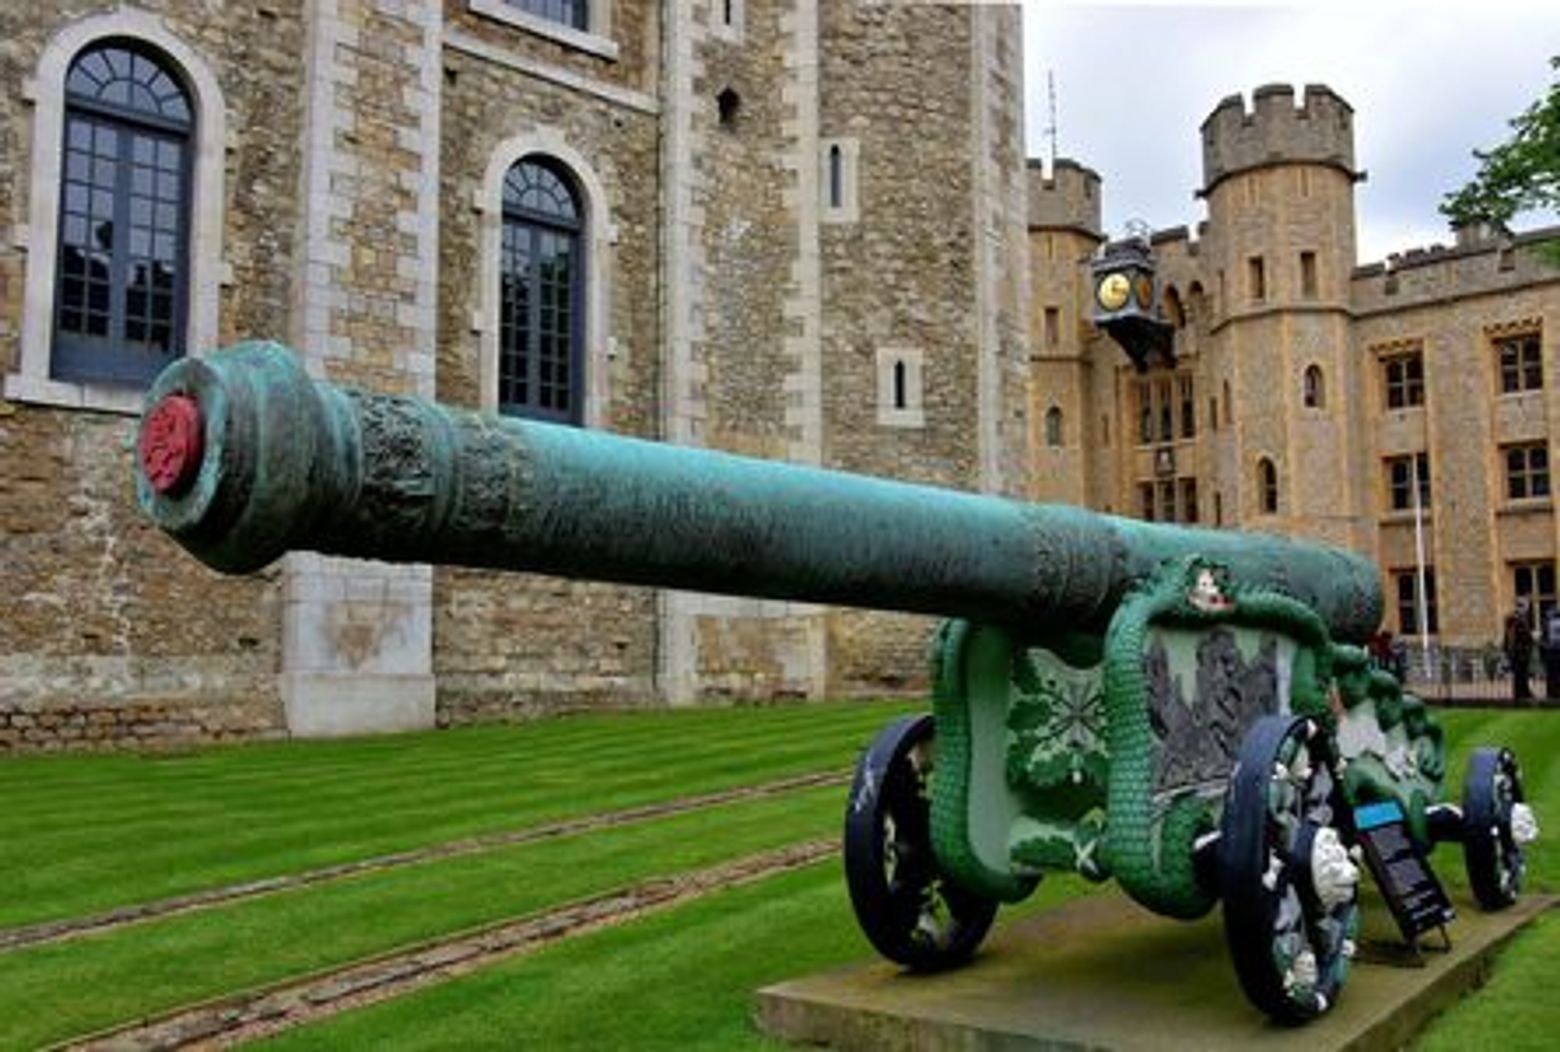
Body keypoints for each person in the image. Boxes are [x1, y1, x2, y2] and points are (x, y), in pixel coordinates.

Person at [1503, 599, 1535, 702]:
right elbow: (1519, 636)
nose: (1527, 609)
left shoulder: (1515, 619)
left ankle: (1523, 692)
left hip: (1518, 651)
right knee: (1520, 673)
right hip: (1519, 651)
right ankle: (1521, 694)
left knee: (1521, 673)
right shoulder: (1516, 620)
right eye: (1526, 607)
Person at [1543, 606, 1560, 702]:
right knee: (1556, 674)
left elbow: (1544, 640)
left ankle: (1551, 693)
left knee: (1551, 674)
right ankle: (1555, 692)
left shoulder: (1547, 624)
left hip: (1551, 652)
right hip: (1555, 651)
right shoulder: (1548, 624)